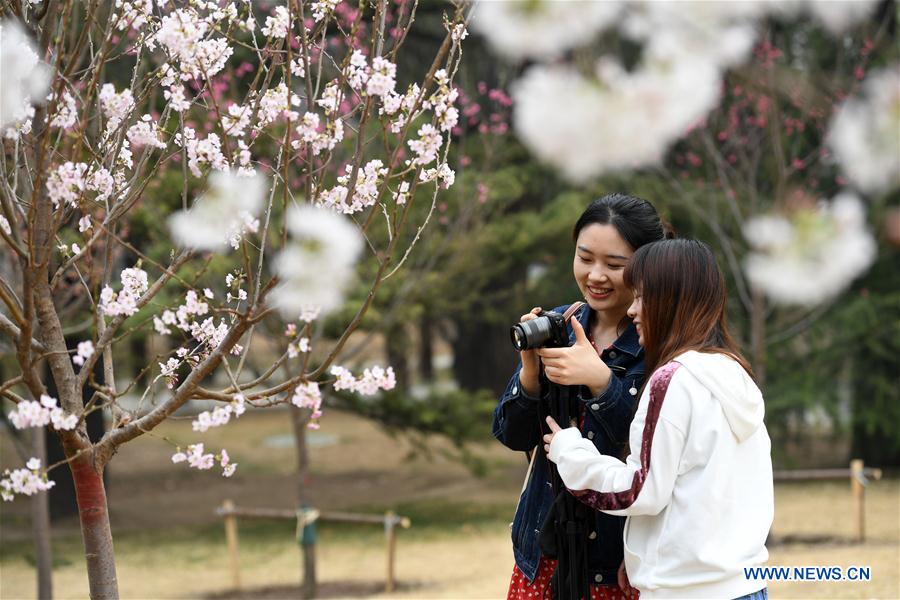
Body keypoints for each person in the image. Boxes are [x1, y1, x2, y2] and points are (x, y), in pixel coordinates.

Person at [544, 239, 774, 600]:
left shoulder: (672, 380)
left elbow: (639, 490)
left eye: (641, 298)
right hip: (744, 586)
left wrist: (569, 451)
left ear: (672, 301)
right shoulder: (733, 372)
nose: (632, 311)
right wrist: (645, 557)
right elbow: (700, 491)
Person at [494, 193, 670, 600]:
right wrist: (531, 373)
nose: (595, 275)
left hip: (617, 563)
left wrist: (604, 384)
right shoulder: (560, 325)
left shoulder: (660, 344)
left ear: (645, 266)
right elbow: (511, 435)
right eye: (585, 257)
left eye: (614, 265)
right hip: (544, 554)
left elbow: (654, 455)